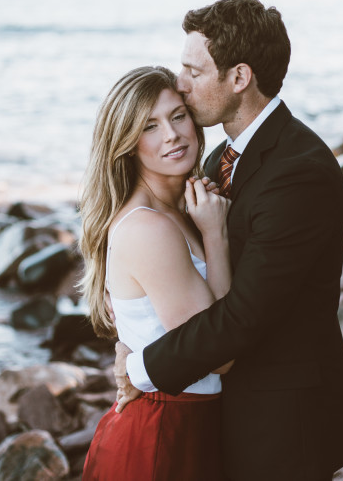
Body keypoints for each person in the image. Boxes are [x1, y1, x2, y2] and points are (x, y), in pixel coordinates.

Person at [116, 0, 343, 481]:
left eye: (193, 71)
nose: (180, 86)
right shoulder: (218, 162)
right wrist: (130, 333)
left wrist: (140, 368)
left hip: (282, 419)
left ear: (239, 78)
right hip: (227, 409)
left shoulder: (298, 173)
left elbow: (243, 316)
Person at [78, 65, 233, 481]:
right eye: (150, 126)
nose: (172, 135)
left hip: (188, 420)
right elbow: (219, 356)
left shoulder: (180, 210)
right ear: (127, 144)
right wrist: (216, 236)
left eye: (178, 115)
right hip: (161, 432)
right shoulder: (149, 227)